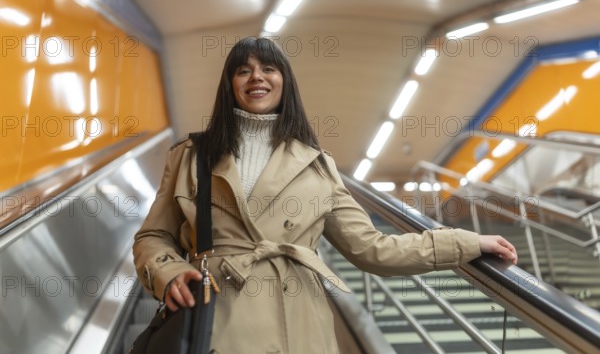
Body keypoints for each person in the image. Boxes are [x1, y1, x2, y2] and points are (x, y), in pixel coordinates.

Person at [132, 36, 518, 353]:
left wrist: (466, 242)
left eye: (268, 68)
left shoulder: (318, 165)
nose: (256, 77)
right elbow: (154, 236)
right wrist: (168, 272)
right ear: (229, 83)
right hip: (216, 321)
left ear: (285, 81)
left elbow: (372, 249)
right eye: (243, 70)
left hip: (300, 329)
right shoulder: (191, 155)